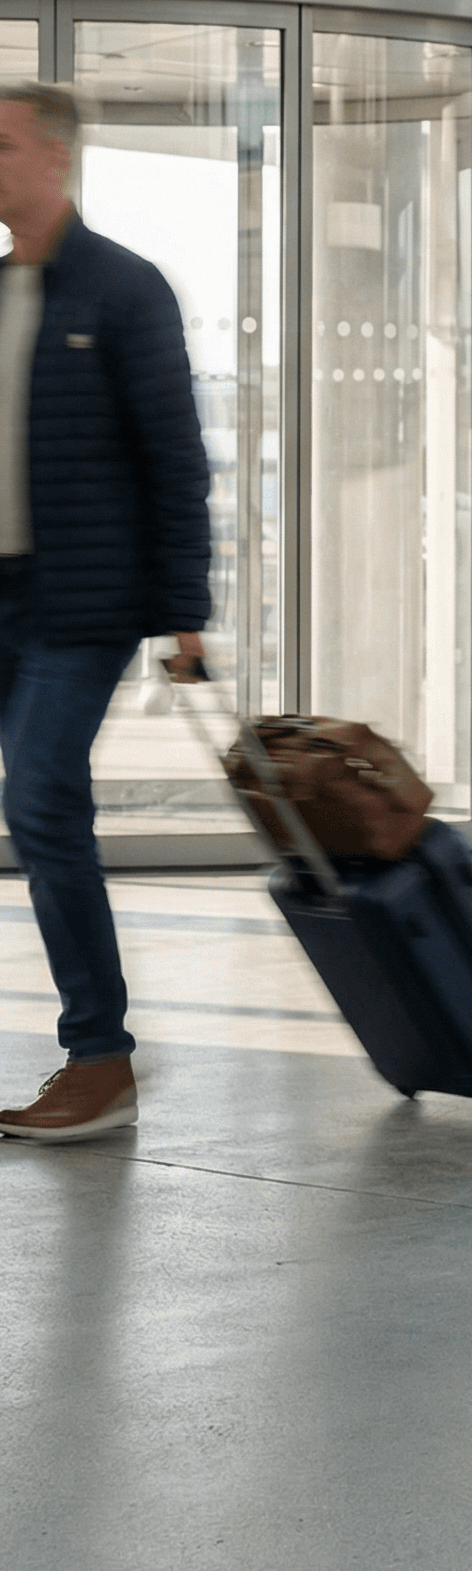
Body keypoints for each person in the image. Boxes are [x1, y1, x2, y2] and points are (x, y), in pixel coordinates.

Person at [0, 83, 211, 1142]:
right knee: (36, 805)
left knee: (40, 798)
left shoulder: (125, 289)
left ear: (56, 160)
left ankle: (99, 1058)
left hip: (79, 602)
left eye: (0, 146)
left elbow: (175, 459)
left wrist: (185, 615)